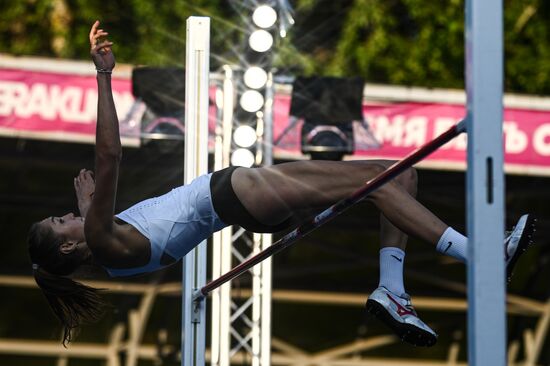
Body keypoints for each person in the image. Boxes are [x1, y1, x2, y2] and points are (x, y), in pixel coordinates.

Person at [27, 21, 535, 347]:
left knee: (402, 173)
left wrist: (90, 206)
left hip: (241, 202)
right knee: (384, 182)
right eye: (59, 222)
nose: (65, 214)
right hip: (236, 193)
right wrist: (103, 77)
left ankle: (393, 289)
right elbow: (110, 154)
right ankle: (480, 257)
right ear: (71, 246)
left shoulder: (106, 244)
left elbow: (115, 205)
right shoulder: (99, 239)